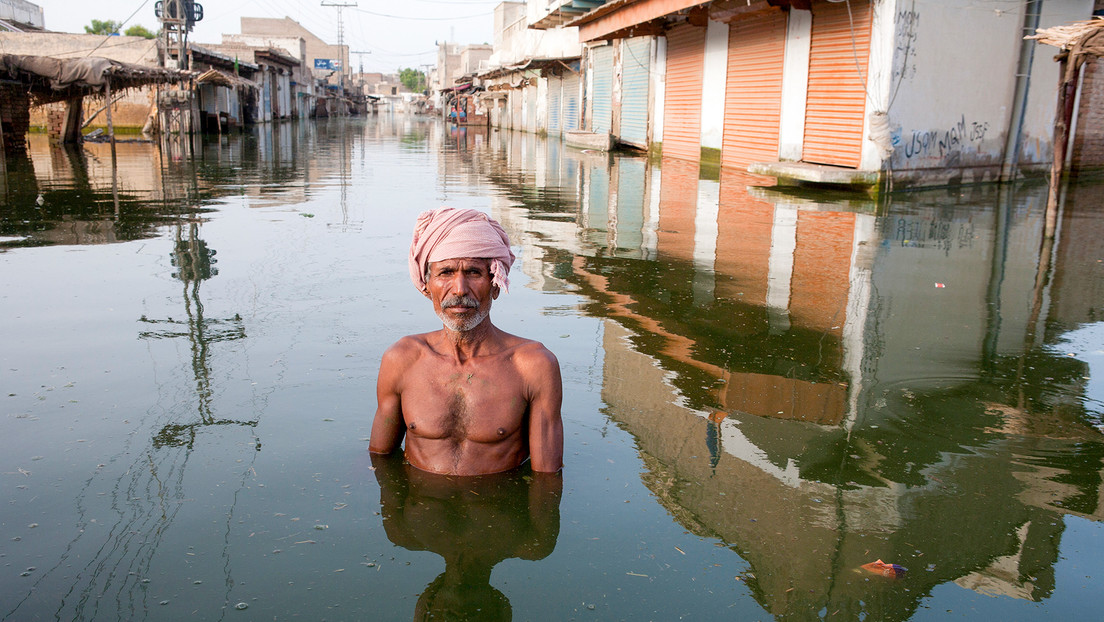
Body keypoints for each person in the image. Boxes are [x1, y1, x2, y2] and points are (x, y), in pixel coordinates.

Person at [369, 207, 563, 476]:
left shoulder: (533, 366)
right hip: (420, 514)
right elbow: (379, 461)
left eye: (473, 272)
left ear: (495, 284)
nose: (459, 289)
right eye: (445, 272)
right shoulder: (402, 359)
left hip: (497, 510)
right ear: (427, 286)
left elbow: (547, 481)